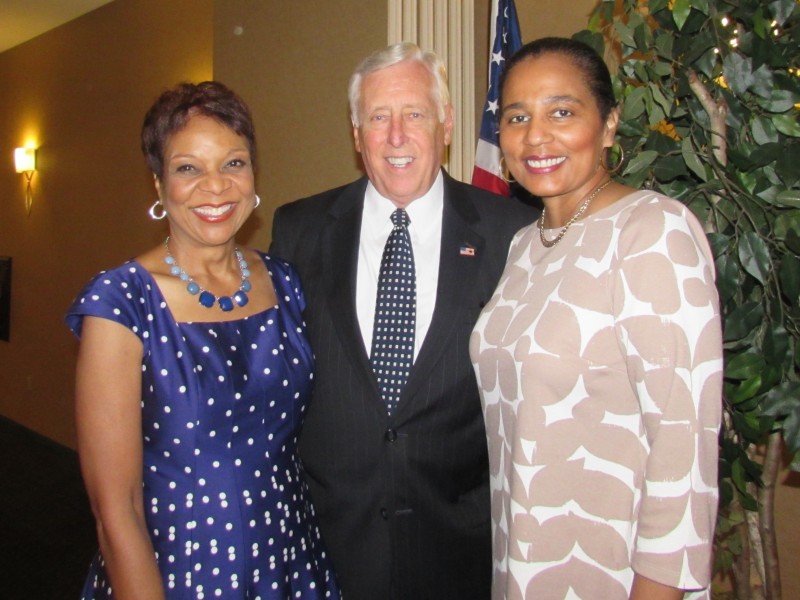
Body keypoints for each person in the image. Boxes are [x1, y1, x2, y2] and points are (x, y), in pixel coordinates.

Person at [270, 42, 537, 599]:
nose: (396, 136)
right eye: (378, 117)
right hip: (329, 548)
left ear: (445, 124)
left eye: (414, 114)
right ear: (355, 130)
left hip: (459, 550)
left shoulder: (512, 233)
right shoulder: (298, 229)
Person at [470, 37, 723, 599]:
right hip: (526, 566)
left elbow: (684, 445)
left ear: (608, 125)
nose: (536, 136)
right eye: (517, 117)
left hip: (614, 576)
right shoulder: (523, 246)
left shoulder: (652, 232)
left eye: (562, 112)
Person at [66, 81, 340, 599]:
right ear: (158, 183)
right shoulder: (122, 301)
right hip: (178, 569)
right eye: (188, 168)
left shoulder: (285, 281)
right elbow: (115, 511)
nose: (215, 187)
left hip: (291, 556)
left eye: (233, 163)